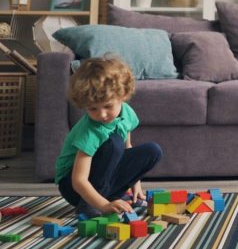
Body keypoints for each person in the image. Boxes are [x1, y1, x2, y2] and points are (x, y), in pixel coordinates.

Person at [55, 56, 162, 218]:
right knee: (113, 143)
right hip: (73, 187)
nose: (102, 114)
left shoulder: (127, 114)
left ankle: (112, 197)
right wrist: (103, 205)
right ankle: (90, 204)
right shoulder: (89, 131)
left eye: (108, 106)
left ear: (123, 95)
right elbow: (79, 180)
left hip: (102, 179)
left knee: (152, 151)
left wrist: (135, 184)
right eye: (93, 109)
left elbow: (128, 149)